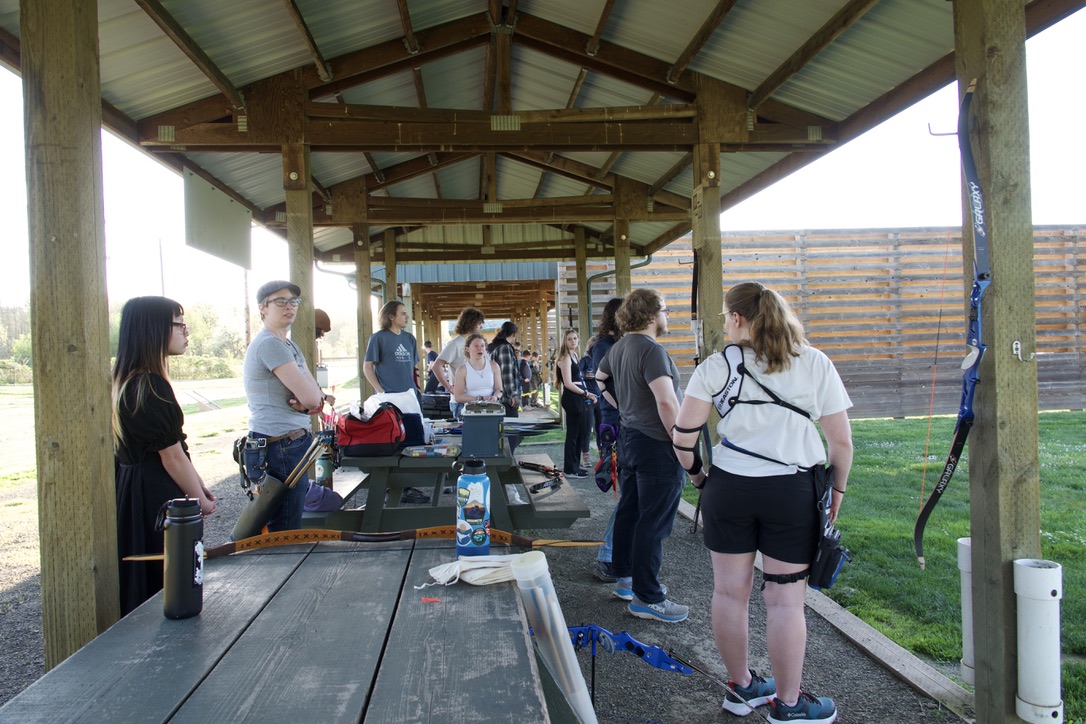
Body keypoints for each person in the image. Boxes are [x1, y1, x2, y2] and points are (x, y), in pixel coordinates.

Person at [672, 282, 853, 722]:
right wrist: (838, 494)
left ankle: (742, 688)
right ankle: (788, 705)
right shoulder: (814, 362)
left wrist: (700, 478)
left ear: (736, 319)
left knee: (729, 593)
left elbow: (682, 437)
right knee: (785, 602)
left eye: (724, 316)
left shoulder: (716, 367)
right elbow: (841, 443)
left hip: (729, 489)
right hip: (792, 492)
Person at [112, 296, 217, 615]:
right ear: (155, 328)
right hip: (154, 493)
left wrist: (198, 484)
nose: (187, 332)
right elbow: (171, 456)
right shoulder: (150, 385)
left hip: (135, 489)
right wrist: (199, 499)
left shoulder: (127, 381)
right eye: (180, 324)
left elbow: (175, 448)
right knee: (167, 582)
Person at [594, 288, 688, 623]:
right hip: (657, 444)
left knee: (631, 511)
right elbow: (666, 402)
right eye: (665, 309)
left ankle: (625, 581)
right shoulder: (651, 350)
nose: (667, 315)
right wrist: (682, 442)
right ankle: (648, 597)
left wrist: (622, 406)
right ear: (651, 315)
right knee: (654, 520)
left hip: (632, 438)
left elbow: (601, 379)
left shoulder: (618, 347)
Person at [242, 280, 331, 533]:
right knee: (285, 526)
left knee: (290, 519)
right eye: (280, 301)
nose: (289, 306)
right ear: (263, 308)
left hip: (290, 440)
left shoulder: (288, 345)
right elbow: (313, 399)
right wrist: (309, 402)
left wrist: (308, 403)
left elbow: (316, 397)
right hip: (279, 442)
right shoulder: (269, 344)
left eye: (293, 301)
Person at [587, 296, 624, 582]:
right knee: (628, 496)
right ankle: (608, 555)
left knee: (630, 496)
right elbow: (608, 384)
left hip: (622, 421)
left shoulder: (615, 344)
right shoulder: (604, 346)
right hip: (615, 424)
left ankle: (615, 554)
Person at [430, 306, 485, 420]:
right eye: (479, 323)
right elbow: (436, 366)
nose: (481, 327)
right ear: (471, 323)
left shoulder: (478, 343)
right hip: (461, 402)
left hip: (478, 400)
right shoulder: (455, 344)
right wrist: (448, 387)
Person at [555, 329, 596, 478]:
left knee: (579, 433)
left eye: (575, 338)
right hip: (572, 397)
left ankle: (575, 466)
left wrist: (588, 394)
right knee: (573, 434)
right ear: (564, 342)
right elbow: (568, 383)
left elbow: (580, 379)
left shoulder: (575, 356)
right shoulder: (565, 358)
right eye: (569, 339)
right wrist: (585, 393)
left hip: (579, 396)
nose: (573, 341)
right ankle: (570, 469)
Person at [363, 300, 419, 396]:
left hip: (410, 394)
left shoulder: (410, 338)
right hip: (389, 395)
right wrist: (380, 391)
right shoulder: (378, 338)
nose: (407, 317)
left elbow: (415, 367)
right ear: (391, 317)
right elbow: (367, 367)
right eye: (403, 314)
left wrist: (418, 389)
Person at [487, 322, 522, 453]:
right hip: (505, 399)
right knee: (511, 434)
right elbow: (506, 373)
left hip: (496, 398)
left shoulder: (493, 347)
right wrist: (513, 395)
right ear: (513, 334)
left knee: (500, 435)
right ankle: (509, 464)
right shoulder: (505, 348)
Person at [452, 333, 503, 405]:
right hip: (471, 408)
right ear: (467, 349)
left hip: (491, 407)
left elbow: (499, 389)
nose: (480, 349)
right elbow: (458, 397)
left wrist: (495, 397)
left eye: (482, 346)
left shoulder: (494, 366)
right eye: (476, 346)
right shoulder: (462, 370)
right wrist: (480, 399)